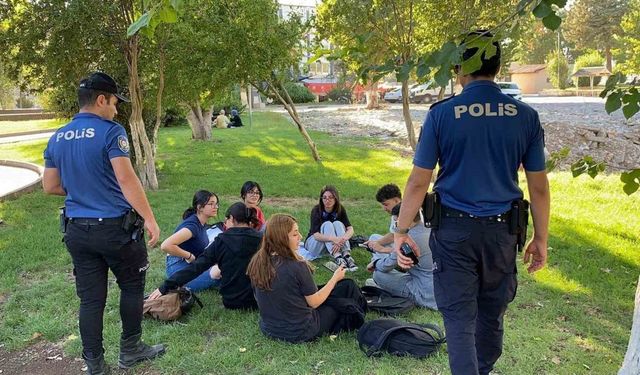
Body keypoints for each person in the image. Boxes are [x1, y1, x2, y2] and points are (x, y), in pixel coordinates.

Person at [393, 31, 550, 375]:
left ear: (461, 67)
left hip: (454, 233)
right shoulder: (525, 116)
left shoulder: (442, 115)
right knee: (491, 314)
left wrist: (401, 231)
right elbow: (538, 188)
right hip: (501, 235)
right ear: (497, 66)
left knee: (460, 320)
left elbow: (419, 180)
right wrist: (541, 238)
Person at [42, 72, 165, 374]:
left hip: (77, 231)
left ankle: (95, 365)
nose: (116, 109)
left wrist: (84, 188)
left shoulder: (58, 136)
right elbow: (126, 179)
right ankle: (131, 349)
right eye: (114, 102)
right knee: (133, 287)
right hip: (115, 230)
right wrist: (149, 218)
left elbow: (50, 186)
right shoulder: (112, 132)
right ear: (100, 100)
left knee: (91, 299)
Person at [247, 214, 365, 343]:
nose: (300, 237)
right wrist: (334, 278)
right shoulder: (297, 266)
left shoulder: (257, 261)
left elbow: (260, 296)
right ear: (281, 238)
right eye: (295, 234)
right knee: (346, 306)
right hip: (300, 330)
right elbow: (314, 302)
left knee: (346, 286)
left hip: (269, 327)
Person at [149, 202, 262, 310]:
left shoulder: (221, 241)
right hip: (258, 300)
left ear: (231, 218)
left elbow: (196, 267)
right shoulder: (262, 239)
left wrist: (165, 286)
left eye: (226, 219)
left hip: (231, 301)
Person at [365, 187, 437, 310]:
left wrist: (375, 262)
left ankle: (383, 285)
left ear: (403, 220)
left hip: (425, 293)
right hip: (441, 287)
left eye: (396, 222)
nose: (396, 226)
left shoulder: (408, 239)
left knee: (379, 275)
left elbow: (386, 266)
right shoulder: (428, 227)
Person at [161, 190, 221, 292]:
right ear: (199, 207)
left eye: (216, 204)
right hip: (178, 268)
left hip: (190, 265)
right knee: (218, 272)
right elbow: (165, 245)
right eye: (211, 204)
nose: (216, 207)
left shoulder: (201, 222)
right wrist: (188, 255)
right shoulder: (192, 226)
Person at [303, 185, 357, 271]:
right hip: (314, 244)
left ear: (336, 198)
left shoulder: (340, 209)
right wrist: (334, 239)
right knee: (327, 224)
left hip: (330, 246)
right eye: (324, 198)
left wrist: (342, 239)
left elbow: (350, 229)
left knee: (338, 223)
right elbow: (316, 235)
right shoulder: (316, 210)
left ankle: (347, 255)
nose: (327, 200)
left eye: (331, 197)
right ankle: (337, 256)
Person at [362, 183, 403, 253]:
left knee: (377, 246)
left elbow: (398, 237)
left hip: (408, 247)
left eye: (386, 204)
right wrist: (376, 243)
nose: (384, 209)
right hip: (399, 242)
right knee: (373, 238)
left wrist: (381, 248)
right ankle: (377, 260)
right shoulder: (395, 214)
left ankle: (377, 262)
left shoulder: (405, 214)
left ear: (396, 200)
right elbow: (393, 235)